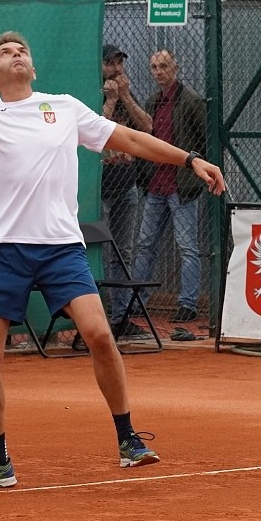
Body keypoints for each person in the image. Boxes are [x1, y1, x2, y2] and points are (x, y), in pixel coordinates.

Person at [0, 15, 226, 490]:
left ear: (33, 69)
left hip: (61, 249)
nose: (16, 52)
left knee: (100, 335)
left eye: (22, 49)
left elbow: (131, 139)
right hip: (4, 251)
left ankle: (128, 440)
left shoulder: (63, 109)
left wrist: (190, 158)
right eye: (5, 52)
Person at [110, 49, 207, 328]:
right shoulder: (152, 102)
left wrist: (195, 175)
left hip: (181, 185)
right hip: (155, 185)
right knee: (145, 245)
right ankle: (137, 300)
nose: (158, 71)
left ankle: (188, 304)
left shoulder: (190, 101)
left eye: (163, 65)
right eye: (153, 67)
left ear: (175, 67)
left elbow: (204, 138)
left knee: (187, 246)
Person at [73, 44, 152, 350]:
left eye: (119, 63)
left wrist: (126, 97)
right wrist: (110, 99)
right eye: (110, 63)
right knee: (92, 253)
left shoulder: (124, 95)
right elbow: (94, 135)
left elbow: (147, 127)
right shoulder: (91, 96)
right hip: (99, 188)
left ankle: (121, 317)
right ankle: (93, 320)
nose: (117, 69)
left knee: (124, 251)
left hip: (126, 185)